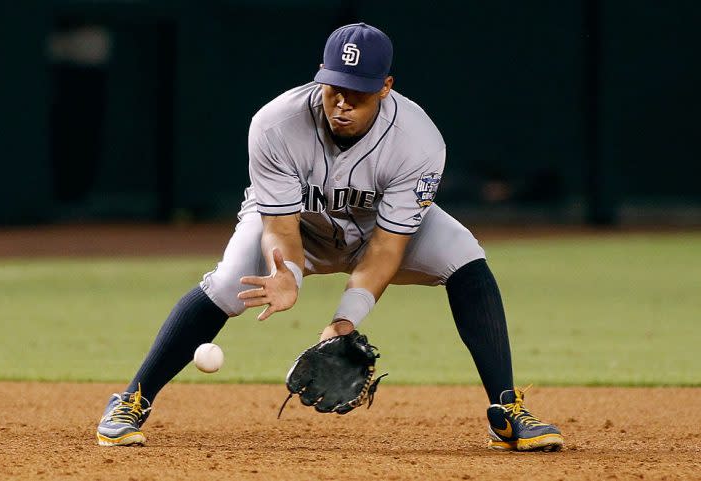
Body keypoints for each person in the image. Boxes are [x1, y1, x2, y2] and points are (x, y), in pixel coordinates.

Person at [96, 22, 563, 452]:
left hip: (375, 229)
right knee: (224, 286)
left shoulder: (418, 140)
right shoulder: (275, 124)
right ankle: (133, 399)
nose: (342, 102)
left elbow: (387, 246)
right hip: (299, 226)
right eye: (335, 87)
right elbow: (280, 225)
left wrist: (344, 320)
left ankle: (507, 411)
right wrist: (290, 275)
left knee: (466, 259)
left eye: (358, 93)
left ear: (385, 86)